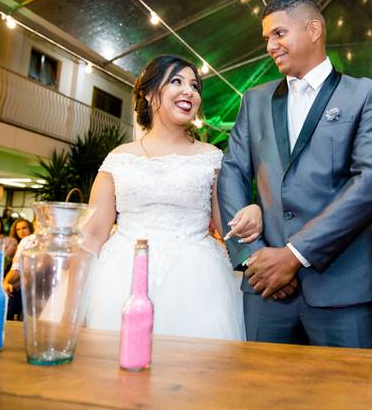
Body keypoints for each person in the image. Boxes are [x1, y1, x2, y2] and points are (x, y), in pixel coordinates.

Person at [217, 0, 372, 348]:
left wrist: (294, 255)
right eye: (266, 38)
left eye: (278, 33)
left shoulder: (363, 95)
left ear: (313, 30)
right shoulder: (255, 100)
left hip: (343, 291)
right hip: (266, 290)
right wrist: (256, 259)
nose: (270, 46)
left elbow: (370, 183)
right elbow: (232, 173)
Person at [82, 55, 258, 340]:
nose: (189, 91)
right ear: (150, 94)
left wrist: (253, 214)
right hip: (121, 277)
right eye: (177, 81)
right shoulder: (119, 158)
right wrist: (71, 295)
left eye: (195, 86)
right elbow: (91, 235)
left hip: (198, 282)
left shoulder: (211, 158)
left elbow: (230, 227)